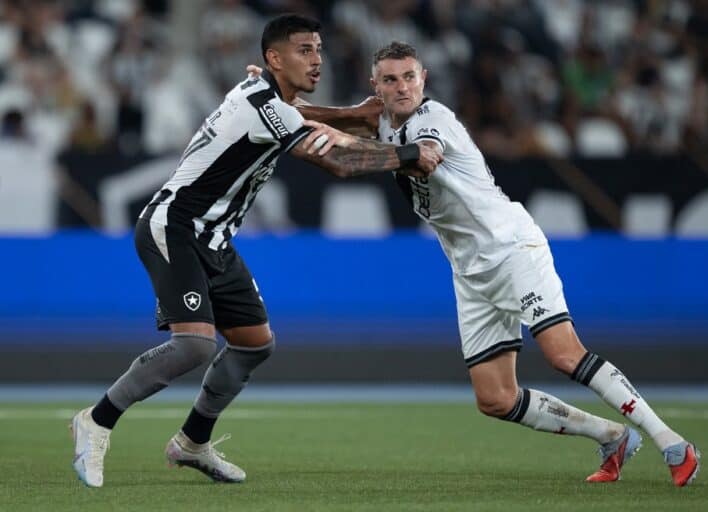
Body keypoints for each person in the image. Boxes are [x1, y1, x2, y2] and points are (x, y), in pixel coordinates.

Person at [302, 41, 700, 487]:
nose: (402, 87)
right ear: (376, 86)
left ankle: (673, 441)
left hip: (511, 249)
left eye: (409, 77)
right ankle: (612, 437)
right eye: (390, 79)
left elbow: (423, 157)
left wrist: (345, 141)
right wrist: (275, 103)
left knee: (564, 354)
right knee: (495, 398)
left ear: (424, 78)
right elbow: (332, 114)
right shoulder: (379, 115)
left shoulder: (434, 120)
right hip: (469, 270)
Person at [70, 16, 441, 488]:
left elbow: (298, 114)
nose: (317, 59)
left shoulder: (260, 93)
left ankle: (192, 442)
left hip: (214, 239)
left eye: (319, 49)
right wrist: (410, 154)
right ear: (274, 58)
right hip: (175, 227)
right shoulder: (264, 104)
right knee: (195, 345)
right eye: (304, 50)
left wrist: (354, 114)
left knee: (253, 343)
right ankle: (96, 421)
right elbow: (339, 161)